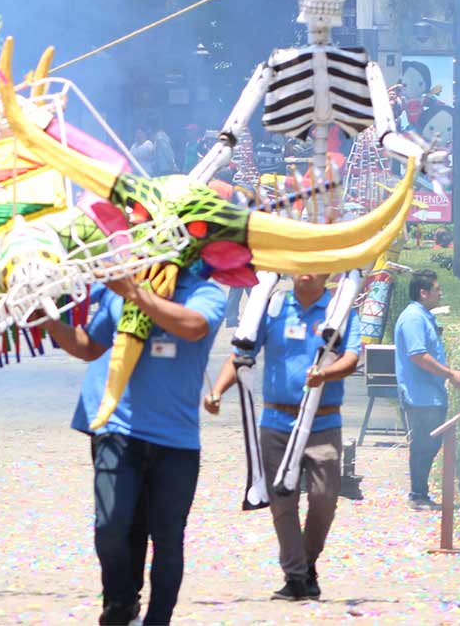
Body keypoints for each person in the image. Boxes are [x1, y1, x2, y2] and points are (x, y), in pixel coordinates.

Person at [44, 267, 226, 626]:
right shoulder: (118, 291)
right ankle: (123, 600)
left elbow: (193, 326)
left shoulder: (204, 293)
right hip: (119, 430)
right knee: (110, 526)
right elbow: (88, 347)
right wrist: (46, 320)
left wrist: (135, 293)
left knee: (168, 539)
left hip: (177, 442)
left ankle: (158, 620)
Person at [206, 274, 361, 601]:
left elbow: (351, 358)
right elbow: (241, 356)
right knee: (282, 503)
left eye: (313, 264)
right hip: (276, 421)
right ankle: (295, 576)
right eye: (299, 263)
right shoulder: (272, 307)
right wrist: (217, 391)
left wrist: (325, 374)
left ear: (326, 270)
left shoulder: (340, 309)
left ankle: (307, 562)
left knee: (324, 499)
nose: (305, 271)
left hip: (323, 422)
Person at [394, 269, 460, 510]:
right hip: (421, 394)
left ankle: (420, 494)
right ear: (423, 292)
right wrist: (449, 374)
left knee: (429, 445)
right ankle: (418, 496)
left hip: (429, 392)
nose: (440, 293)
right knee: (424, 445)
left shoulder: (422, 315)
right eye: (437, 289)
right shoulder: (413, 318)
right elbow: (419, 356)